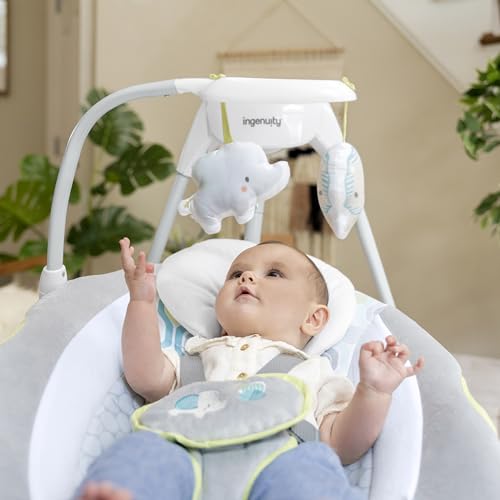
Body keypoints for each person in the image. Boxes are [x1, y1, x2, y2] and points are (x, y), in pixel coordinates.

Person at [75, 238, 424, 500]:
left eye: (274, 273)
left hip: (276, 460)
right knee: (142, 452)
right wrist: (141, 304)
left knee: (310, 467)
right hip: (183, 450)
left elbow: (341, 443)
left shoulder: (314, 372)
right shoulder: (195, 355)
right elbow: (146, 377)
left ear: (314, 318)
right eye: (236, 274)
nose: (247, 277)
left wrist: (373, 391)